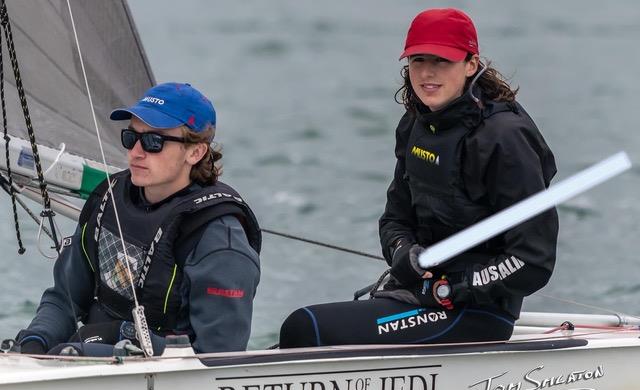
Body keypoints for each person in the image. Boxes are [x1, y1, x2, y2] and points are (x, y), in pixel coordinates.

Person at [279, 8, 558, 347]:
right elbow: (395, 219)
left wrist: (454, 288)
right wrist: (402, 251)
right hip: (416, 296)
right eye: (418, 60)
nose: (427, 72)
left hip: (477, 311)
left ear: (471, 64)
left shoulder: (505, 137)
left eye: (442, 61)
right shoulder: (416, 124)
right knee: (300, 329)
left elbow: (532, 259)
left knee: (305, 326)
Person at [16, 82, 261, 355]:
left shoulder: (219, 241)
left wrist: (124, 336)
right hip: (85, 359)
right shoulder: (108, 199)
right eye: (131, 138)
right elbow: (64, 301)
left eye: (154, 142)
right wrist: (33, 342)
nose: (136, 152)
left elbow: (217, 358)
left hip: (164, 383)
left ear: (196, 152)